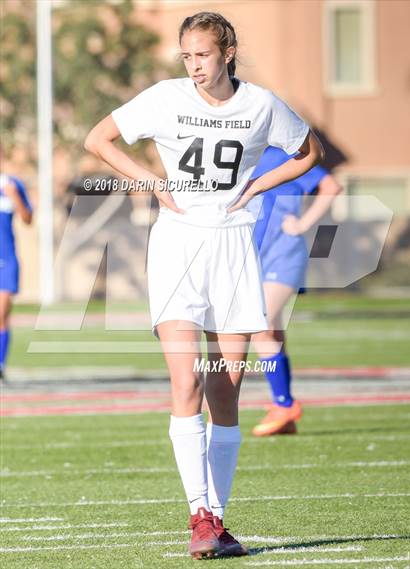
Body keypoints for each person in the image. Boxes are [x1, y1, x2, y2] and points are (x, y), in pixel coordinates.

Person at [84, 11, 324, 559]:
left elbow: (310, 153)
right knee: (188, 380)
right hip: (177, 249)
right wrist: (148, 181)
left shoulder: (261, 105)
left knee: (226, 389)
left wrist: (262, 181)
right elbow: (98, 139)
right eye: (187, 55)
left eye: (203, 55)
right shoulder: (165, 97)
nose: (194, 66)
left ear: (228, 52)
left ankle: (216, 520)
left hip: (235, 250)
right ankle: (198, 515)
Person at [249, 146, 342, 436]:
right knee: (273, 331)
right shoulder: (240, 152)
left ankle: (284, 403)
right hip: (254, 256)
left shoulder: (280, 154)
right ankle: (285, 413)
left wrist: (302, 223)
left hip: (283, 254)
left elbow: (331, 186)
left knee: (259, 326)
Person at [0, 167, 33, 380]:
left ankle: (0, 365)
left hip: (6, 261)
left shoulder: (12, 183)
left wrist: (14, 197)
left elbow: (28, 218)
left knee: (1, 315)